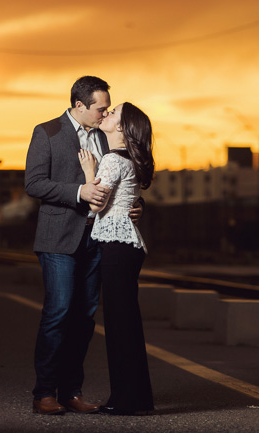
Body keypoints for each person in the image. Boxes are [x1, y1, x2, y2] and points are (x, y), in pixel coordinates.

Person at [25, 76, 143, 415]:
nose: (105, 112)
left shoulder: (107, 135)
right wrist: (80, 192)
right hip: (58, 238)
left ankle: (71, 391)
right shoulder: (46, 132)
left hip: (98, 239)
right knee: (58, 312)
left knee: (84, 317)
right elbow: (34, 182)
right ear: (79, 106)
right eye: (100, 108)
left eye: (108, 108)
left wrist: (137, 206)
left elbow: (125, 179)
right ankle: (44, 392)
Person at [78, 102, 155, 416]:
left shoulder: (111, 159)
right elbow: (126, 198)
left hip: (116, 245)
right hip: (129, 246)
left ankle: (125, 400)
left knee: (119, 326)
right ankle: (138, 399)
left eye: (114, 113)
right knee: (128, 325)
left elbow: (96, 205)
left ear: (123, 128)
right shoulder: (129, 159)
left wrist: (88, 173)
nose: (107, 114)